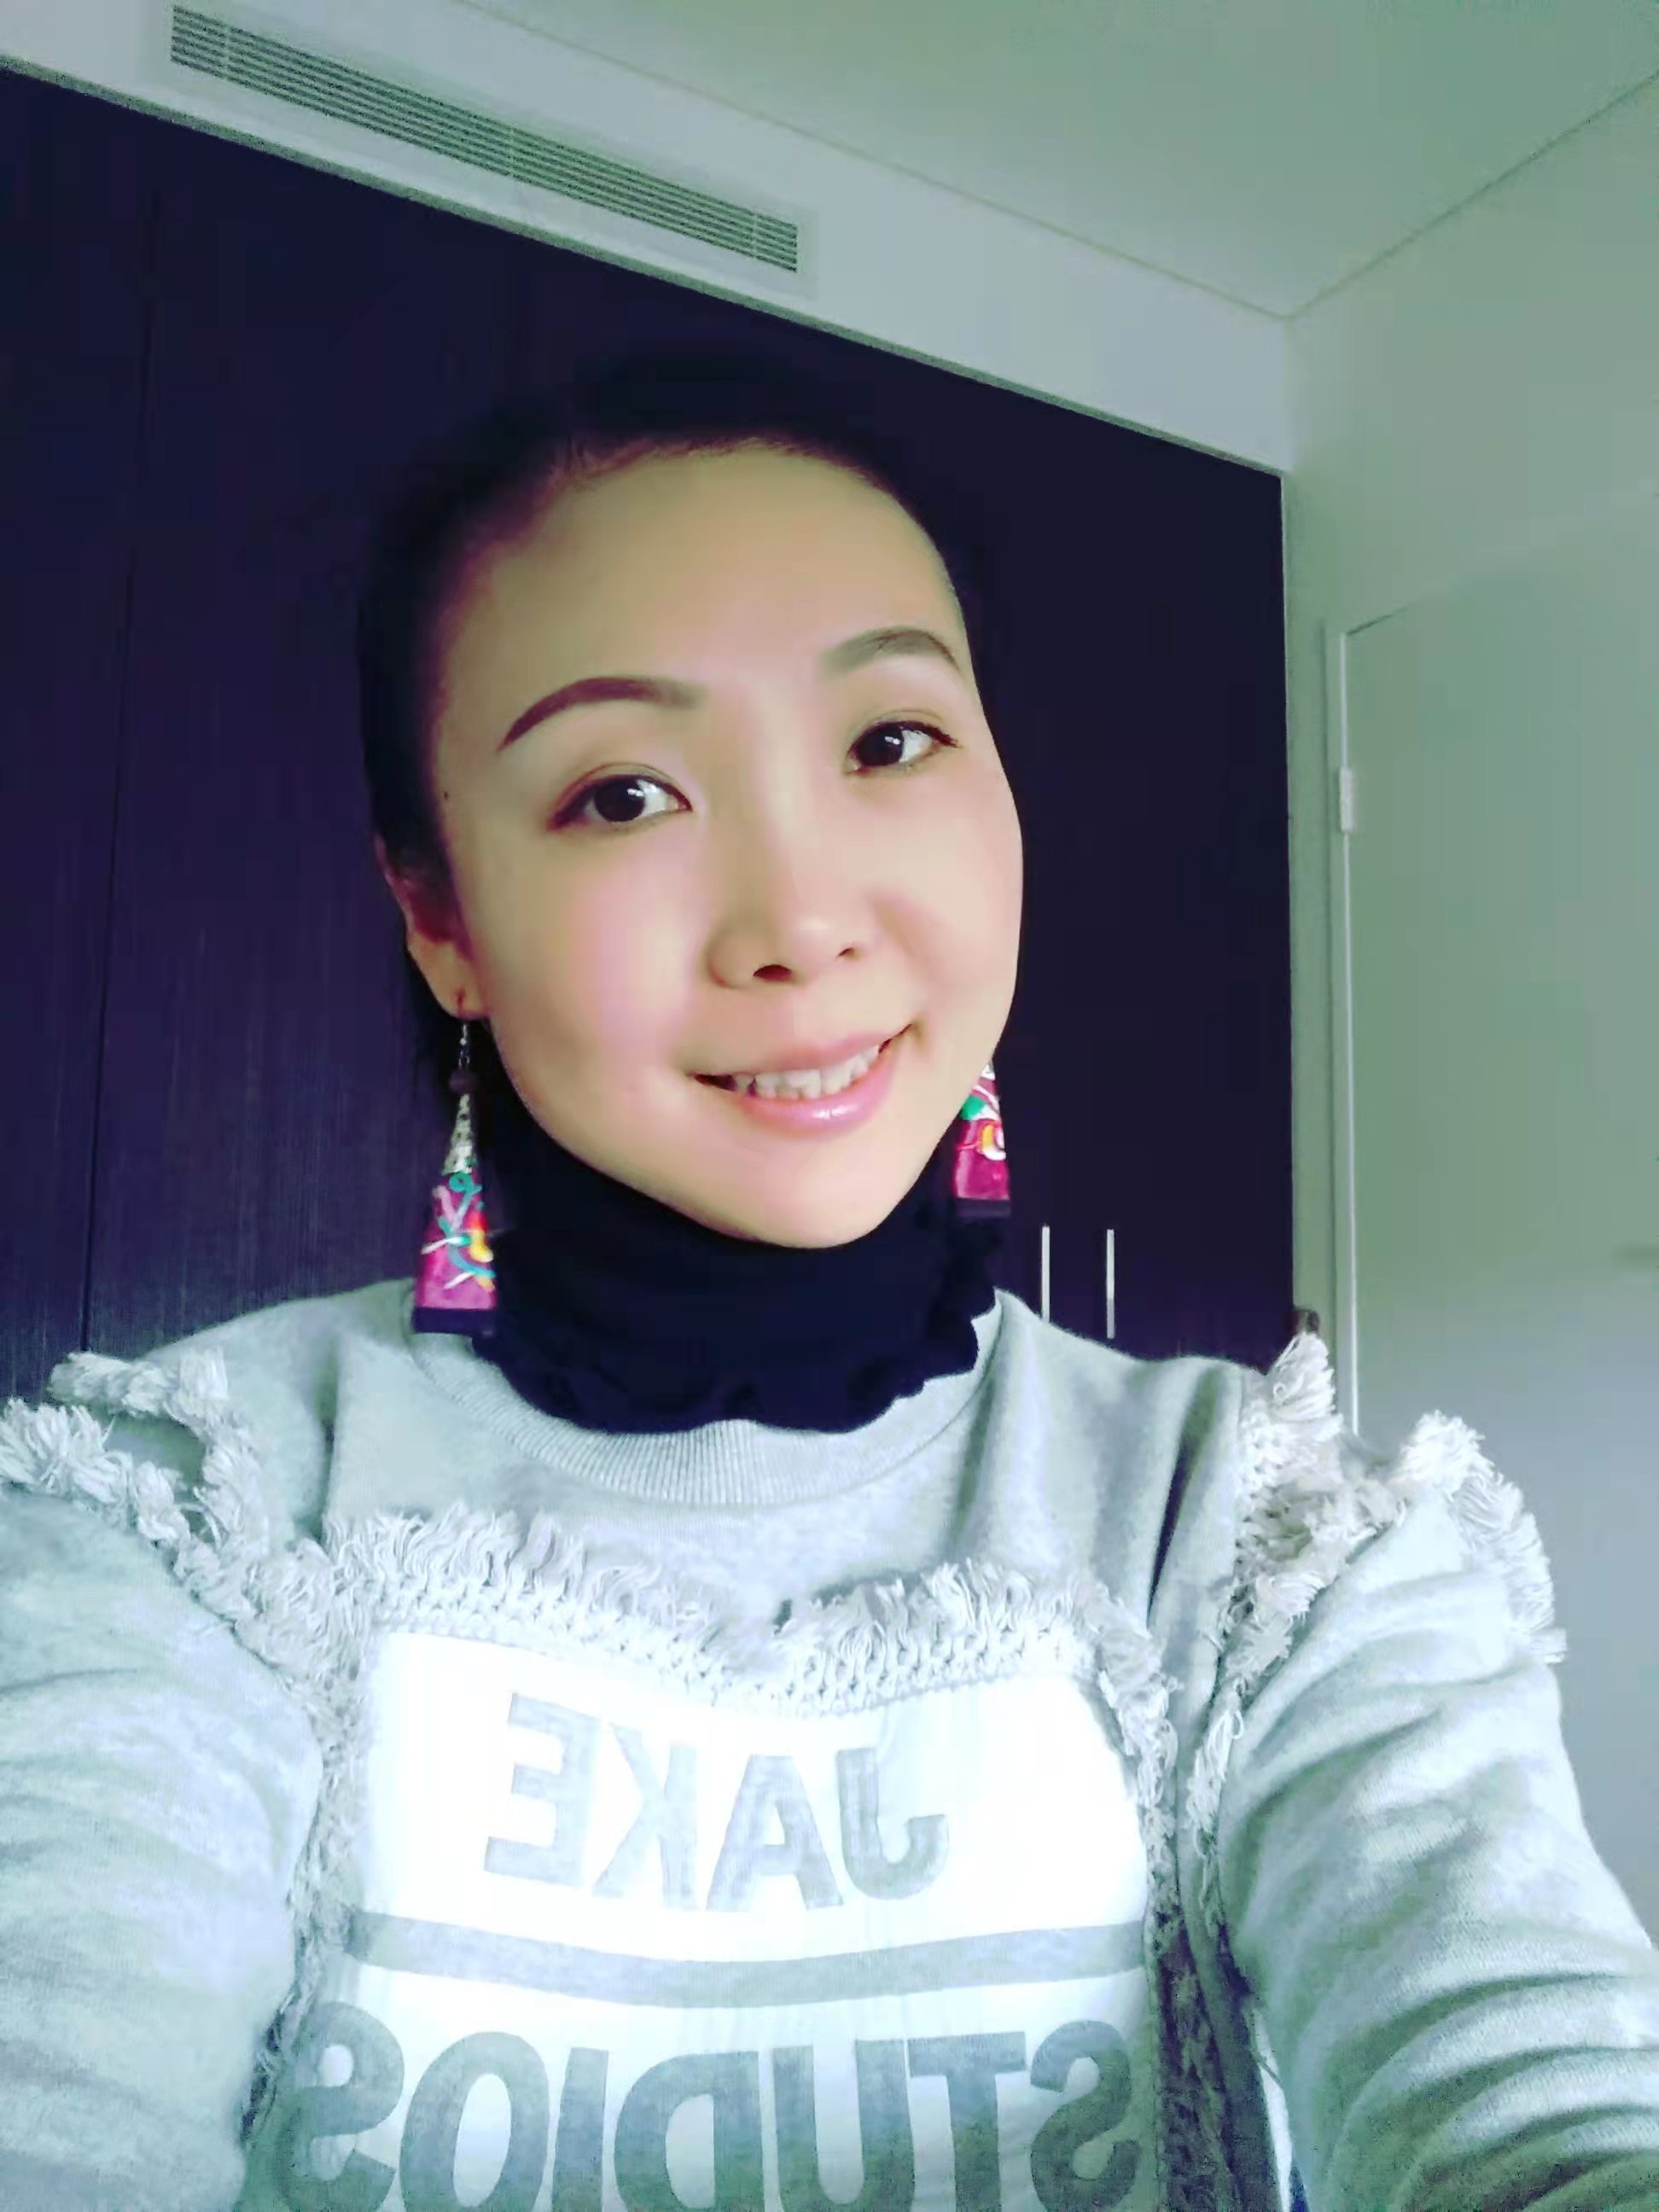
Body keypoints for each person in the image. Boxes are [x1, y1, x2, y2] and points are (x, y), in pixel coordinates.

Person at [2, 350, 1655, 2212]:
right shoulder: (190, 1517)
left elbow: (1528, 2096)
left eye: (888, 745)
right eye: (624, 793)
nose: (799, 921)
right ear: (441, 918)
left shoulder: (1256, 1533)